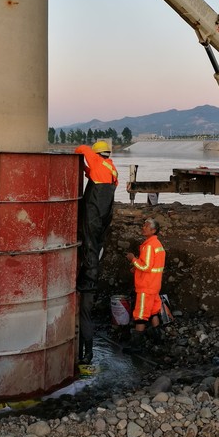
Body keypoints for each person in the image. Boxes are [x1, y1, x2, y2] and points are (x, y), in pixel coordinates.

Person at [74, 140, 118, 364]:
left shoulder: (97, 161)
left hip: (93, 213)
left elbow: (81, 149)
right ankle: (86, 354)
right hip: (103, 215)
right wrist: (82, 169)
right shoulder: (110, 168)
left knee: (89, 243)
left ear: (98, 153)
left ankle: (87, 354)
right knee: (96, 244)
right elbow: (93, 172)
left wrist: (77, 157)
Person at [124, 217, 166, 353]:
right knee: (154, 311)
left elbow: (146, 266)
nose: (143, 227)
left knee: (140, 314)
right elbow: (153, 265)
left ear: (153, 230)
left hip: (146, 286)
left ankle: (136, 346)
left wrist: (133, 260)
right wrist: (136, 266)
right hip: (154, 285)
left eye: (146, 226)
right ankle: (158, 340)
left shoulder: (148, 246)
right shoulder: (157, 244)